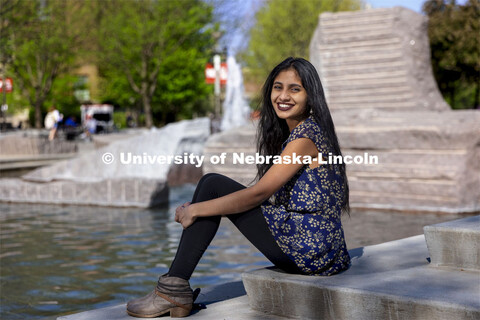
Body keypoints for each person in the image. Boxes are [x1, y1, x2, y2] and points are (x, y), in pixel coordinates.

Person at [126, 57, 351, 318]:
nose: (283, 96)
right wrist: (201, 208)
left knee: (212, 185)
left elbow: (259, 193)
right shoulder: (303, 132)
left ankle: (173, 288)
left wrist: (197, 209)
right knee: (213, 187)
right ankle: (173, 288)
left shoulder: (306, 136)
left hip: (311, 249)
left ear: (311, 96)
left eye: (295, 89)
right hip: (321, 247)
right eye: (278, 87)